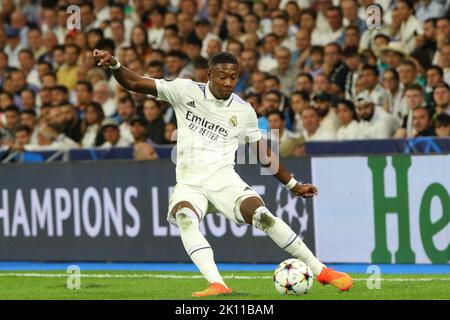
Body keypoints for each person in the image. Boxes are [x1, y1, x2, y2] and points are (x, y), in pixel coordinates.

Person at [93, 49, 353, 296]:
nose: (229, 82)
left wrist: (293, 184)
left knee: (263, 216)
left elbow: (263, 153)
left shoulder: (244, 110)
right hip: (190, 183)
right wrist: (115, 64)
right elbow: (135, 83)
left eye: (234, 77)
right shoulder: (184, 90)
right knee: (185, 217)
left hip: (224, 180)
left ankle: (322, 271)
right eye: (223, 76)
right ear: (209, 75)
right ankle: (217, 284)